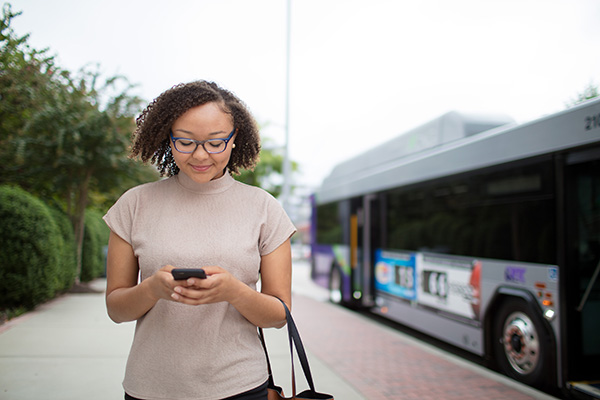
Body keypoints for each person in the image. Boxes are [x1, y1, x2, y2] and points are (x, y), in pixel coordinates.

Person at [103, 80, 296, 400]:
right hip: (150, 388)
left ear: (235, 140)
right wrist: (152, 288)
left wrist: (234, 291)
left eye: (216, 142)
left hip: (240, 387)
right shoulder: (134, 204)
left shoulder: (264, 208)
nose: (201, 155)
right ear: (169, 139)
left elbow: (280, 314)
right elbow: (116, 309)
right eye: (186, 142)